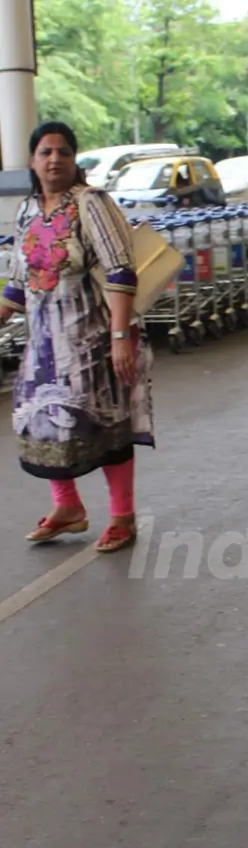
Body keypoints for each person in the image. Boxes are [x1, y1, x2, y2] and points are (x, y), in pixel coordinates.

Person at [0, 122, 154, 550]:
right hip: (43, 343)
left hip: (92, 340)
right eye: (46, 152)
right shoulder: (27, 211)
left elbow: (122, 271)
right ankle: (68, 507)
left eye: (64, 152)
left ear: (75, 160)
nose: (55, 159)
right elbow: (18, 281)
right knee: (42, 423)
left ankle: (123, 516)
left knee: (105, 423)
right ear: (32, 161)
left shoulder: (92, 203)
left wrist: (120, 336)